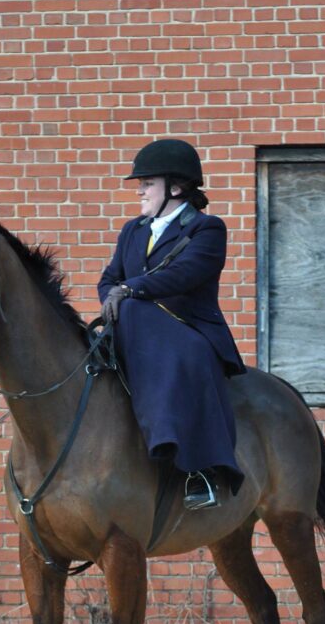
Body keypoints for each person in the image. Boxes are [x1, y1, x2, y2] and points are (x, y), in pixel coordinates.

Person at [98, 139, 245, 510]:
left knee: (131, 309)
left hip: (189, 330)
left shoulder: (207, 229)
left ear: (176, 188)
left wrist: (128, 290)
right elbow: (108, 279)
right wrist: (112, 296)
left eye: (148, 182)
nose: (140, 190)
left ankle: (201, 470)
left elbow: (183, 275)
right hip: (135, 331)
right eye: (140, 183)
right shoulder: (133, 230)